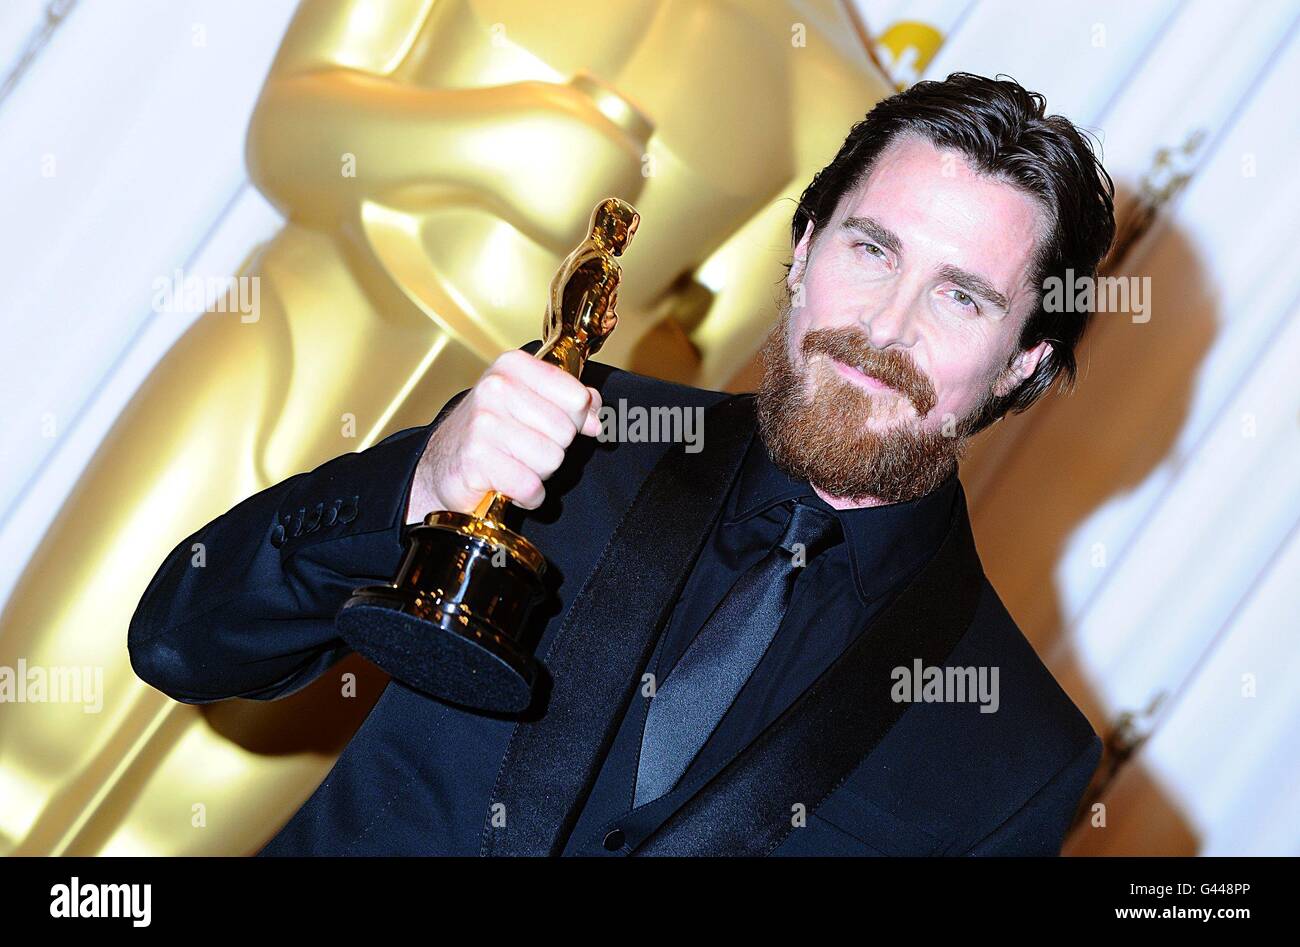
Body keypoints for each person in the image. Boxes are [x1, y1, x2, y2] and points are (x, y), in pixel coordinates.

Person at [129, 72, 1116, 856]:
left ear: (1021, 359)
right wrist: (420, 486)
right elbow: (184, 640)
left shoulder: (1018, 753)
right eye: (870, 249)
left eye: (962, 298)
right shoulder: (571, 435)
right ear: (803, 248)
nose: (883, 327)